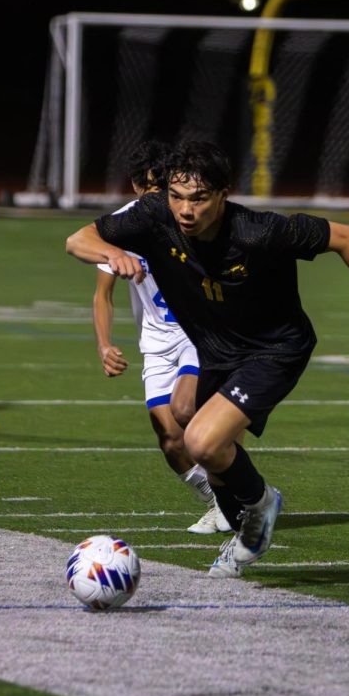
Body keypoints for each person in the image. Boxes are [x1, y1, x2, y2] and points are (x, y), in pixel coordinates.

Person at [66, 140, 349, 577]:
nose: (185, 210)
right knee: (195, 433)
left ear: (222, 194)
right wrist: (112, 252)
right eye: (177, 197)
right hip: (215, 347)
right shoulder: (156, 214)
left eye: (198, 199)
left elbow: (347, 238)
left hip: (274, 349)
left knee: (200, 442)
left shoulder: (259, 232)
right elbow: (78, 239)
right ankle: (244, 527)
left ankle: (262, 503)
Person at [93, 142, 231, 535]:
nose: (163, 199)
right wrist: (105, 345)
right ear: (138, 188)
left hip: (198, 330)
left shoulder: (189, 219)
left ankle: (245, 492)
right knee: (169, 437)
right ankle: (218, 500)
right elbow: (103, 294)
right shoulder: (123, 225)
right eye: (155, 189)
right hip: (155, 340)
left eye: (167, 188)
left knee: (186, 408)